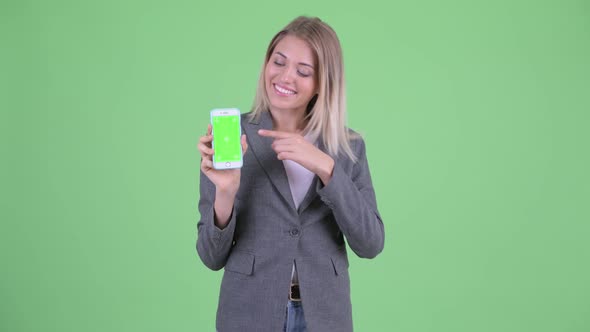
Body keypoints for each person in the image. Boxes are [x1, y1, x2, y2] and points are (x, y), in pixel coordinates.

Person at [196, 16, 384, 332]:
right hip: (248, 313)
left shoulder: (347, 146)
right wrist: (225, 193)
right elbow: (210, 257)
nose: (285, 76)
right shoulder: (231, 138)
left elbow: (371, 243)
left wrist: (326, 168)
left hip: (325, 316)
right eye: (278, 62)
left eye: (303, 71)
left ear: (323, 83)